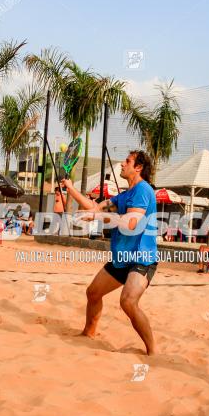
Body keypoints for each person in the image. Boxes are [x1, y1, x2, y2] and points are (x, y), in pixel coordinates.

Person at [61, 150, 159, 356]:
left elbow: (130, 223)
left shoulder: (143, 190)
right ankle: (88, 333)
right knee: (93, 293)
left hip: (141, 259)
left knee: (128, 301)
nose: (122, 164)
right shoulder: (124, 195)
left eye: (127, 161)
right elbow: (95, 207)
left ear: (138, 167)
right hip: (122, 258)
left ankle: (153, 352)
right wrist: (70, 188)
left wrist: (97, 217)